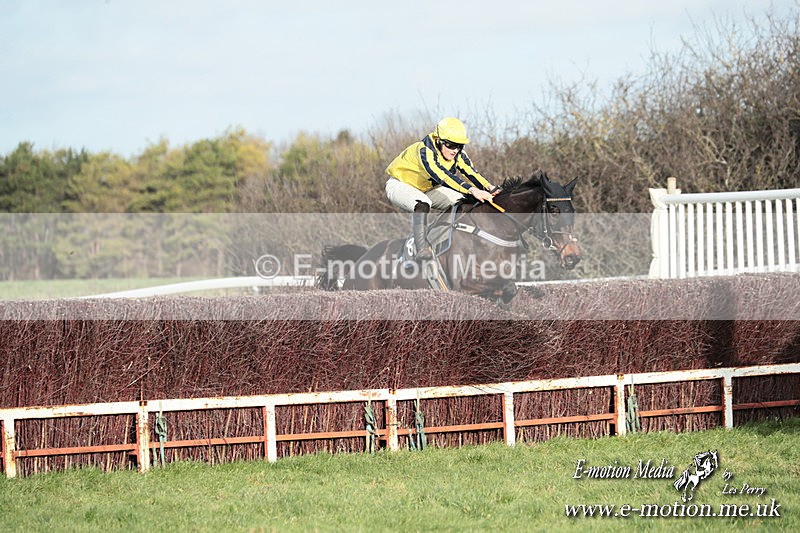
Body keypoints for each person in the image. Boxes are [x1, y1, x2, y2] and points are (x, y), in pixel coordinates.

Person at [385, 117, 498, 261]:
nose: (455, 150)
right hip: (400, 185)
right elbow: (443, 177)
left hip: (426, 189)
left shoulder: (457, 154)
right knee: (422, 203)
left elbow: (470, 172)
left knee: (463, 202)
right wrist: (472, 190)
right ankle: (421, 248)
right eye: (450, 145)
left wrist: (490, 187)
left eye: (459, 146)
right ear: (438, 140)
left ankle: (446, 238)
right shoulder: (425, 151)